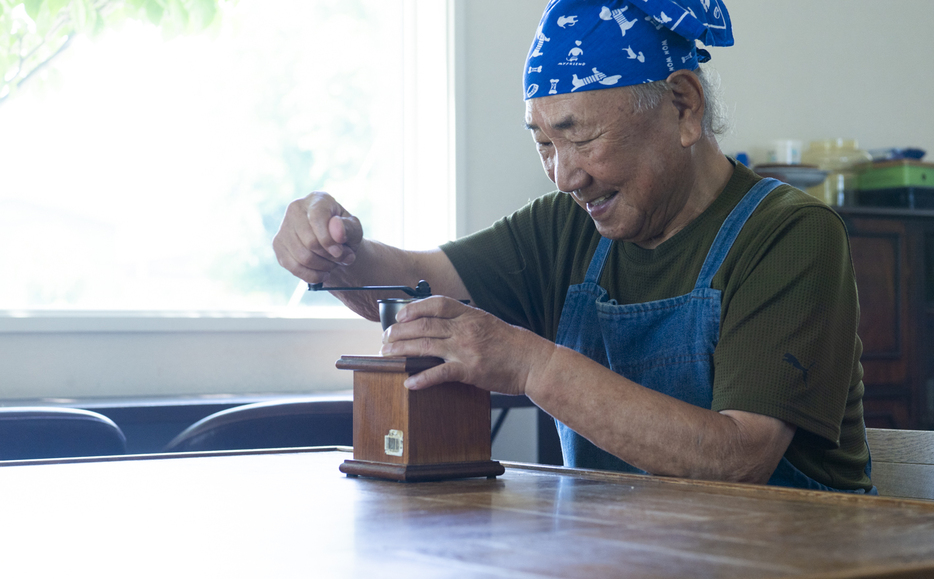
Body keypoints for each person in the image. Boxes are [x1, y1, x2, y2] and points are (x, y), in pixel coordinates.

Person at [273, 0, 874, 493]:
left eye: (579, 136)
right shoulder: (569, 228)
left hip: (794, 578)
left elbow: (739, 458)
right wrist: (337, 254)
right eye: (543, 144)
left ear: (683, 106)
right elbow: (415, 287)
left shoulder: (792, 236)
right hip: (625, 573)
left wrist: (532, 365)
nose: (564, 176)